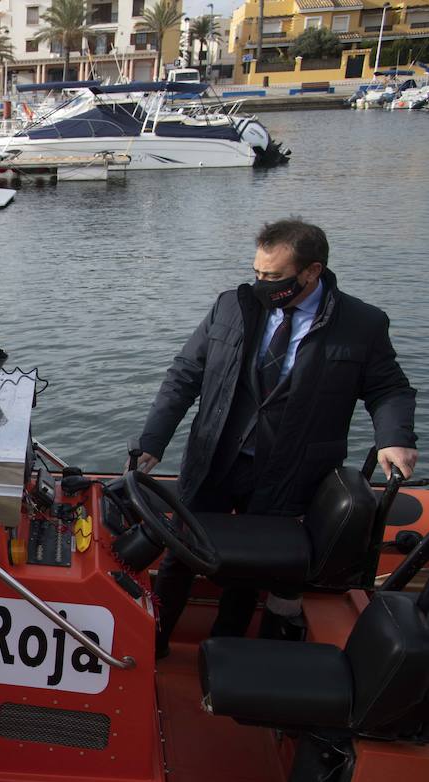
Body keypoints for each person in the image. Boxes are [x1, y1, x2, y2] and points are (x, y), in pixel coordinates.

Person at [138, 219, 417, 656]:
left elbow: (389, 388)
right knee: (180, 553)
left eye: (273, 276)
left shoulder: (362, 324)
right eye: (257, 273)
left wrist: (394, 438)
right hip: (216, 457)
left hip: (289, 470)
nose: (261, 284)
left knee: (252, 571)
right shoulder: (231, 306)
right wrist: (152, 442)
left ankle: (227, 650)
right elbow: (184, 376)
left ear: (311, 272)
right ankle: (155, 640)